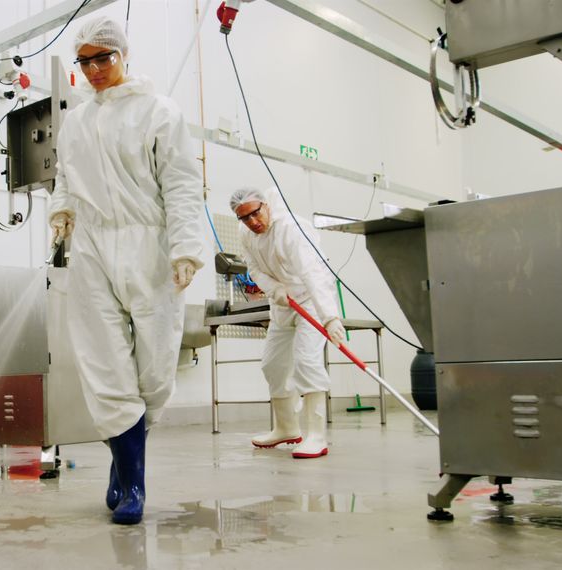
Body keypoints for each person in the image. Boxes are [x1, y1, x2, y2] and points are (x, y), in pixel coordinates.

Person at [48, 17, 204, 525]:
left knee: (154, 369)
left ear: (123, 56)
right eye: (85, 61)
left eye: (103, 58)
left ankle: (123, 461)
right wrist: (62, 210)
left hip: (148, 244)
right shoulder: (76, 121)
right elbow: (66, 177)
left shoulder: (159, 112)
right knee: (103, 363)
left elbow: (181, 184)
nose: (94, 69)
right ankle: (133, 481)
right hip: (92, 246)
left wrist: (185, 248)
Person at [230, 187, 346, 459]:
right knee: (273, 364)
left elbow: (313, 274)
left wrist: (330, 317)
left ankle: (316, 435)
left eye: (255, 213)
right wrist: (274, 289)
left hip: (310, 300)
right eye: (244, 218)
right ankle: (286, 427)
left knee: (307, 361)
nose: (252, 222)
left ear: (266, 205)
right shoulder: (246, 233)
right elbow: (254, 268)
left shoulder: (291, 230)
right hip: (283, 303)